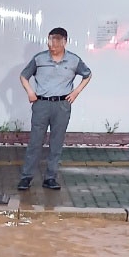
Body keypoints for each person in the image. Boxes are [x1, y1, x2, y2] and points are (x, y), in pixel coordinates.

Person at [17, 27, 92, 191]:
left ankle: (50, 178)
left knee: (56, 143)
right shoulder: (39, 59)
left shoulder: (73, 60)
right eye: (51, 39)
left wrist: (76, 92)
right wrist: (30, 91)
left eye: (57, 40)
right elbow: (24, 76)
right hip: (41, 105)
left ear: (65, 41)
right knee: (35, 142)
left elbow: (87, 74)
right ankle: (26, 177)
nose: (53, 44)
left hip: (62, 105)